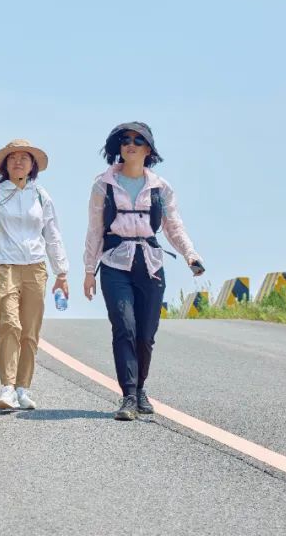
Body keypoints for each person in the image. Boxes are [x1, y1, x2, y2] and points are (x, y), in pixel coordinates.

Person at [82, 122, 205, 421]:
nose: (131, 144)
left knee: (146, 334)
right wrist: (88, 270)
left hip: (149, 264)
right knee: (124, 327)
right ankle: (127, 396)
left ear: (148, 150)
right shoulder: (103, 184)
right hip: (114, 262)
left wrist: (191, 255)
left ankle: (140, 390)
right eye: (125, 140)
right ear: (118, 147)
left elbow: (173, 226)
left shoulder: (161, 187)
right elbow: (95, 229)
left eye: (138, 140)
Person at [0, 139, 69, 411]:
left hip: (36, 268)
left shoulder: (41, 195)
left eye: (25, 158)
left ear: (33, 165)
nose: (18, 162)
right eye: (13, 158)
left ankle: (23, 389)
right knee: (8, 324)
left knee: (29, 331)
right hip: (4, 265)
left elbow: (53, 235)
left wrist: (61, 272)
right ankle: (7, 388)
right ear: (4, 164)